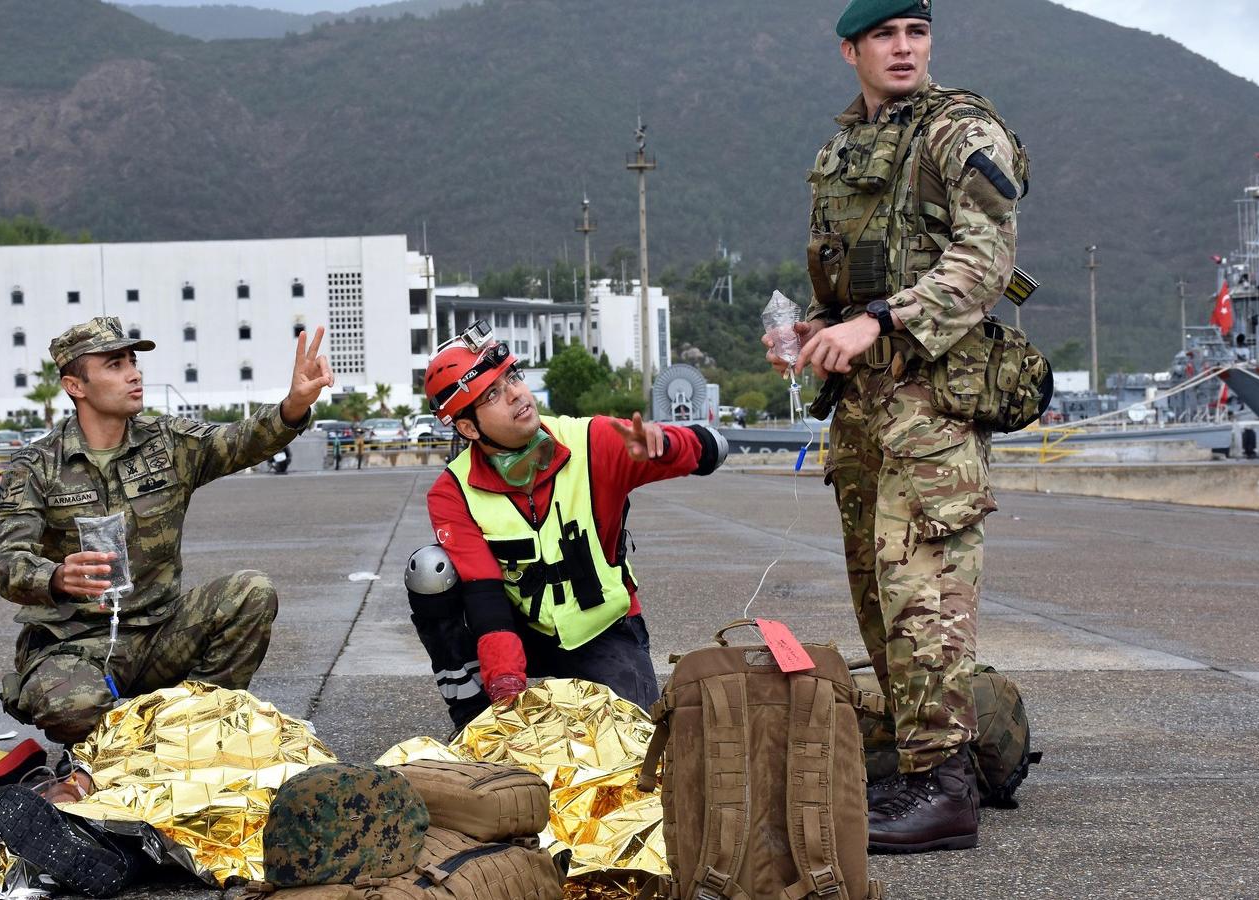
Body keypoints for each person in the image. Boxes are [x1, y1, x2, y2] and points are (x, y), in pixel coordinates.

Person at [765, 0, 1028, 854]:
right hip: (863, 415)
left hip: (931, 414)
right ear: (852, 50)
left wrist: (877, 321)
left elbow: (985, 263)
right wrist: (812, 332)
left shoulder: (961, 130)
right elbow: (845, 283)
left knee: (926, 606)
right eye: (885, 35)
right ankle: (932, 774)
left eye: (916, 32)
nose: (904, 48)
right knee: (879, 604)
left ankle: (943, 791)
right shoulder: (841, 152)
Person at [0, 316, 331, 796]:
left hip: (159, 633)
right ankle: (145, 751)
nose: (134, 373)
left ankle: (177, 737)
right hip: (76, 643)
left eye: (133, 361)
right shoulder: (38, 465)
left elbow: (241, 440)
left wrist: (295, 404)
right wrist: (55, 576)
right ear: (75, 385)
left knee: (250, 592)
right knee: (70, 705)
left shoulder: (167, 443)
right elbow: (6, 561)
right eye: (114, 364)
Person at [407, 321, 728, 728]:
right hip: (519, 631)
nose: (516, 394)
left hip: (604, 630)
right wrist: (506, 698)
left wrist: (666, 447)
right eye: (493, 393)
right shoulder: (452, 491)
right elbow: (485, 599)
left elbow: (715, 449)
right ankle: (472, 717)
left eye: (512, 377)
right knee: (429, 570)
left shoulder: (595, 440)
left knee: (636, 745)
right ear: (469, 427)